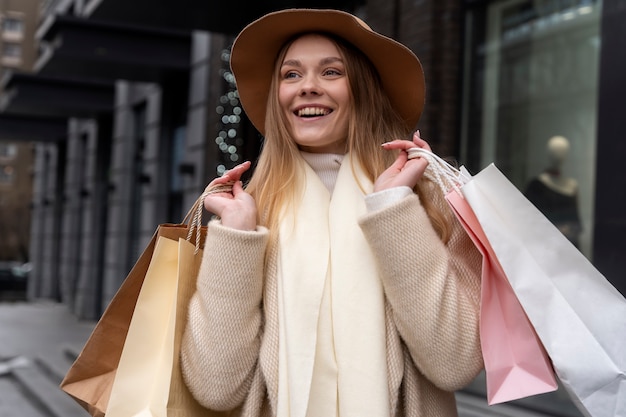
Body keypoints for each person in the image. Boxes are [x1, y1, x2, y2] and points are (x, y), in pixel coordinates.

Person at [181, 8, 483, 417]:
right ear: (278, 97)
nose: (307, 87)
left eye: (331, 72)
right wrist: (236, 234)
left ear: (363, 89)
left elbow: (455, 364)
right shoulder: (249, 215)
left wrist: (393, 209)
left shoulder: (426, 202)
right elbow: (215, 388)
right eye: (291, 74)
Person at [525, 135, 582, 247]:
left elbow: (576, 224)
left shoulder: (572, 186)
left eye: (562, 151)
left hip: (566, 247)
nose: (559, 154)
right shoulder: (536, 186)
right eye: (555, 151)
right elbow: (528, 221)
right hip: (544, 245)